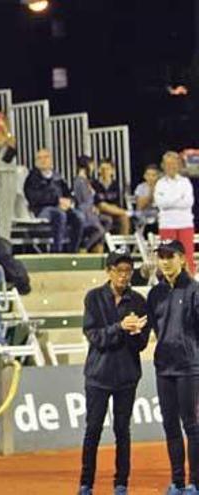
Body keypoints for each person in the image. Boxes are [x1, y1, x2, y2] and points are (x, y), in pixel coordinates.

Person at [78, 248, 149, 495]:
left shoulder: (139, 301)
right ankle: (86, 483)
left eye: (128, 271)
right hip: (98, 376)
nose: (124, 275)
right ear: (108, 271)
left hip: (127, 377)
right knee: (93, 429)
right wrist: (120, 327)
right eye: (119, 270)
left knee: (122, 431)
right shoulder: (93, 298)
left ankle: (121, 483)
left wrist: (136, 332)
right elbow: (94, 336)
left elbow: (141, 345)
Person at [146, 239, 199, 495]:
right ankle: (177, 481)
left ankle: (195, 482)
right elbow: (156, 330)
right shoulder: (155, 294)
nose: (165, 261)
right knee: (170, 425)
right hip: (164, 367)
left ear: (182, 259)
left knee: (191, 424)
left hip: (189, 367)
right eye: (161, 256)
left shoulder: (194, 290)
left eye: (170, 256)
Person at [24, 148, 86, 253]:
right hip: (41, 209)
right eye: (39, 158)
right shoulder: (32, 178)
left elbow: (68, 193)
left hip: (60, 207)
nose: (43, 160)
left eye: (46, 157)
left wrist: (69, 201)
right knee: (59, 214)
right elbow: (34, 198)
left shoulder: (58, 177)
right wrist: (57, 201)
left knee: (79, 216)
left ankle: (73, 251)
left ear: (51, 160)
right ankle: (57, 252)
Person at [155, 151, 195, 274]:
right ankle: (170, 287)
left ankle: (190, 286)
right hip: (167, 224)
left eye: (173, 164)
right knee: (168, 257)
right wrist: (179, 197)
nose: (171, 167)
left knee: (187, 256)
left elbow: (188, 202)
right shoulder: (160, 183)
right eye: (167, 164)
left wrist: (169, 200)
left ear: (178, 165)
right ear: (163, 166)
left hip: (185, 224)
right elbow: (161, 204)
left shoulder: (185, 182)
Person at [72, 156, 109, 253]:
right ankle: (84, 247)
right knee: (100, 230)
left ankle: (97, 246)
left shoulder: (86, 181)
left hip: (91, 211)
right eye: (91, 165)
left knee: (108, 221)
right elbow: (84, 200)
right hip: (85, 213)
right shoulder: (79, 181)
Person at [93, 158, 131, 235]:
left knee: (124, 218)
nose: (105, 171)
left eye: (107, 169)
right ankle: (128, 213)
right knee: (103, 205)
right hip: (100, 213)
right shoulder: (94, 184)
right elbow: (98, 205)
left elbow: (119, 204)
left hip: (115, 212)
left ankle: (124, 246)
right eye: (102, 169)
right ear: (99, 170)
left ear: (112, 171)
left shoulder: (117, 185)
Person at [134, 164, 160, 234]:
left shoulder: (161, 187)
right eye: (148, 175)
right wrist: (151, 193)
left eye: (153, 175)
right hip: (143, 212)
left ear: (157, 176)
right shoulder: (140, 187)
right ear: (144, 176)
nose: (150, 177)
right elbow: (140, 205)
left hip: (158, 213)